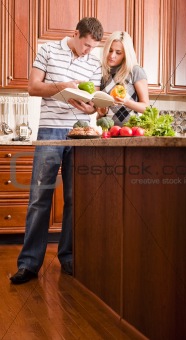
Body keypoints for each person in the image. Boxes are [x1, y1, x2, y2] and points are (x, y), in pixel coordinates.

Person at [10, 17, 104, 284]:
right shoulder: (47, 50)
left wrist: (91, 107)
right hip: (50, 131)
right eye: (85, 45)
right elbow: (33, 87)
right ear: (75, 34)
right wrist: (63, 87)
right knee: (40, 198)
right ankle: (29, 264)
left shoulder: (94, 62)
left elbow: (93, 101)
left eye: (92, 47)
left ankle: (69, 257)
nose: (88, 51)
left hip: (81, 133)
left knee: (76, 199)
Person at [96, 31, 149, 125]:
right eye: (110, 50)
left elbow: (146, 108)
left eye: (118, 52)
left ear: (125, 54)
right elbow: (101, 116)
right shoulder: (103, 75)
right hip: (108, 133)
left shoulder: (135, 71)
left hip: (130, 132)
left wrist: (126, 102)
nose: (112, 56)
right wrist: (101, 113)